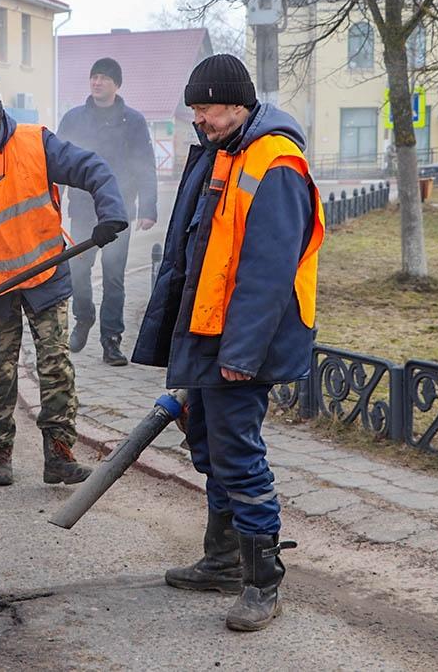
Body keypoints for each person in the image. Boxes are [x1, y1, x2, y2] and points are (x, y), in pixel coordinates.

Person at [131, 55, 325, 631]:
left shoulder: (276, 162)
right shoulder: (223, 150)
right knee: (209, 447)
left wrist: (241, 355)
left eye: (206, 108)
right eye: (193, 109)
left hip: (243, 342)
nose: (199, 119)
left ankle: (263, 582)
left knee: (238, 456)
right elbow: (196, 250)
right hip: (210, 329)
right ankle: (222, 561)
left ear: (238, 105)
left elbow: (267, 275)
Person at [0, 77, 128, 487]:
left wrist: (110, 211)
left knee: (56, 366)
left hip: (45, 274)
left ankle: (59, 455)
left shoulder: (35, 143)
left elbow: (93, 168)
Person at [58, 57, 158, 366]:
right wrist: (52, 202)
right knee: (77, 271)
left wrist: (148, 207)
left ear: (116, 85)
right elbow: (57, 161)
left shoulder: (133, 121)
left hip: (118, 212)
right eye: (94, 77)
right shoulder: (74, 119)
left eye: (103, 78)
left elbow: (145, 164)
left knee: (114, 278)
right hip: (83, 209)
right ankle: (83, 316)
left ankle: (111, 340)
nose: (97, 82)